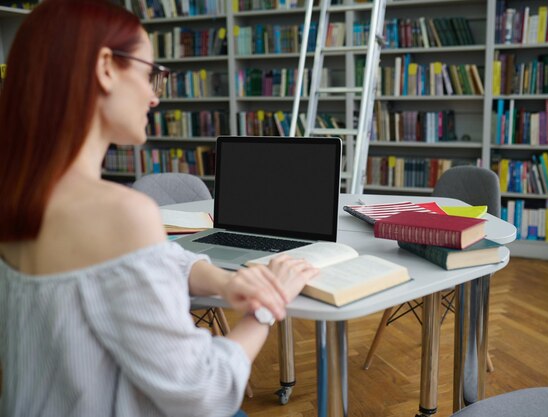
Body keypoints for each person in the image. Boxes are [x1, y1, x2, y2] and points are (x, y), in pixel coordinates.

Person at [0, 1, 319, 416]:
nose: (154, 96)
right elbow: (204, 392)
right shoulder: (122, 213)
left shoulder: (16, 194)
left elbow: (144, 263)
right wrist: (266, 308)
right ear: (106, 68)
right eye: (151, 74)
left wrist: (224, 283)